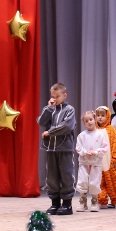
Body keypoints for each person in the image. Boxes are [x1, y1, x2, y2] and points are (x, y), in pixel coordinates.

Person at [37, 83, 77, 216]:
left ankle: (67, 204)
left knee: (66, 175)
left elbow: (67, 126)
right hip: (50, 149)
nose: (54, 99)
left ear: (64, 95)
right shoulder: (50, 109)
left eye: (57, 96)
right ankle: (55, 203)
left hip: (65, 148)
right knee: (52, 177)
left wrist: (50, 132)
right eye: (52, 96)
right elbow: (41, 122)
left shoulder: (69, 109)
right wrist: (48, 108)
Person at [75, 111, 109, 212]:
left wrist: (96, 152)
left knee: (95, 181)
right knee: (82, 181)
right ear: (84, 123)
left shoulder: (100, 135)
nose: (89, 122)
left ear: (95, 119)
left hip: (95, 163)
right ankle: (83, 201)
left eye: (90, 119)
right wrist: (85, 152)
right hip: (84, 162)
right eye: (86, 121)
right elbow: (78, 147)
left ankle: (94, 201)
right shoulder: (81, 135)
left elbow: (104, 147)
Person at [94, 106, 116, 209]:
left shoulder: (111, 129)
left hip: (109, 161)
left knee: (113, 182)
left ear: (107, 116)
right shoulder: (94, 130)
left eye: (103, 115)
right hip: (98, 161)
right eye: (98, 115)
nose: (100, 117)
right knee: (100, 182)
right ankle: (102, 200)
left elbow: (115, 144)